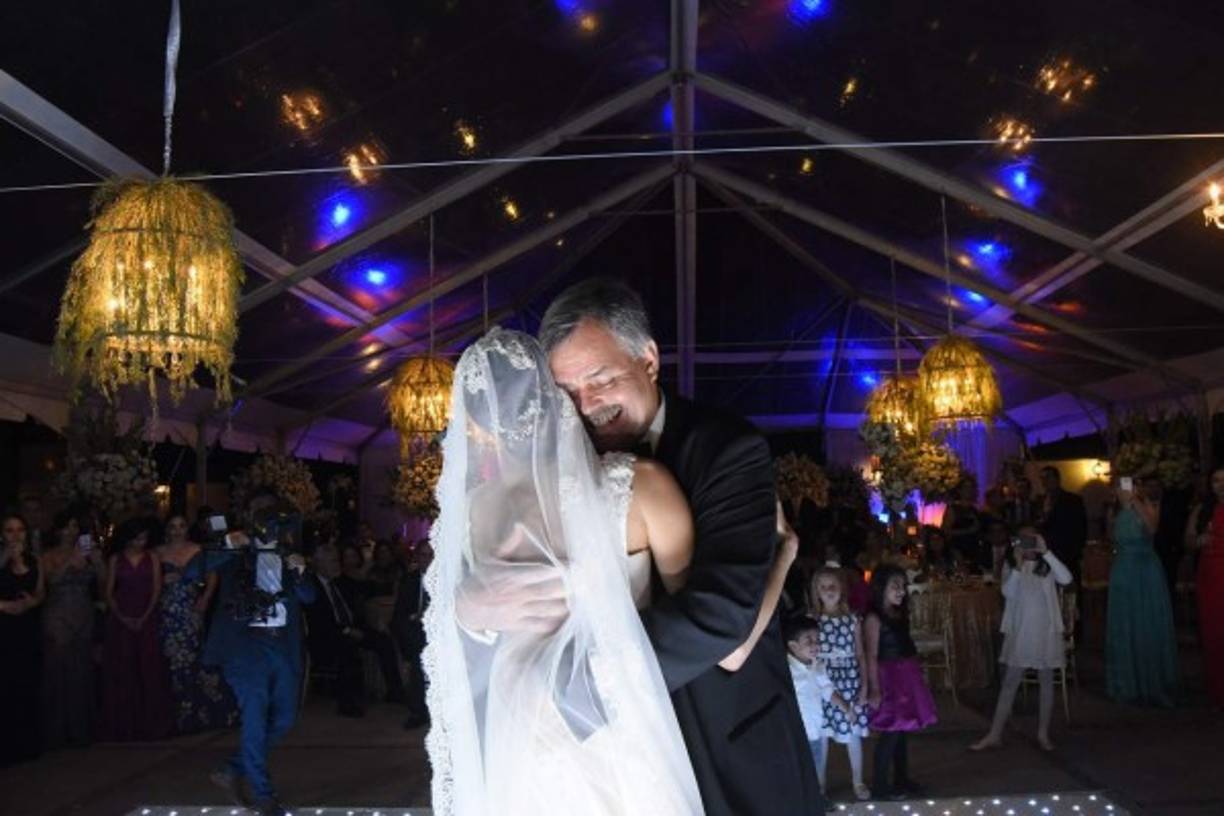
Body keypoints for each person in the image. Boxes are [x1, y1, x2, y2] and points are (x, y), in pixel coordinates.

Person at [541, 280, 822, 815]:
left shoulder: (728, 449)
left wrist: (588, 685)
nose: (587, 406)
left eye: (601, 380)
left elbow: (721, 616)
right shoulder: (560, 464)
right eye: (569, 393)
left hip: (729, 734)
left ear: (648, 359)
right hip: (617, 762)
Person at [426, 328, 706, 815]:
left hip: (559, 715)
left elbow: (696, 624)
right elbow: (698, 622)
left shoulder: (474, 508)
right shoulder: (638, 485)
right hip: (552, 722)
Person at [188, 508, 317, 816]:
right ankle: (263, 795)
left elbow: (310, 597)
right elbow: (194, 571)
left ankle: (232, 768)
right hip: (247, 647)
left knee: (284, 718)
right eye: (271, 526)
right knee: (256, 718)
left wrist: (300, 571)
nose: (275, 533)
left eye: (280, 527)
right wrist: (229, 544)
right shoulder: (235, 555)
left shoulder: (290, 558)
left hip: (282, 647)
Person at [970, 528, 1072, 752]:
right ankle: (995, 733)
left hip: (1046, 632)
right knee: (1009, 683)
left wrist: (1046, 553)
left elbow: (1066, 578)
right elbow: (1008, 593)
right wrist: (1016, 565)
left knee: (1047, 683)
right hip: (1021, 632)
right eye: (1023, 540)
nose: (1027, 545)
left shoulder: (1047, 565)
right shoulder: (1012, 566)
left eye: (1031, 539)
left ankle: (1043, 733)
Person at [157, 513, 237, 734]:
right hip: (166, 609)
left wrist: (204, 599)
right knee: (169, 658)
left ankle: (194, 712)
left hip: (190, 608)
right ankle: (172, 714)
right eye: (173, 526)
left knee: (192, 657)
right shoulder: (158, 552)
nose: (177, 530)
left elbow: (212, 576)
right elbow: (151, 580)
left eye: (181, 525)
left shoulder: (196, 550)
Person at [864, 565, 936, 801]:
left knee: (902, 730)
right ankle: (880, 786)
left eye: (903, 585)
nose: (902, 590)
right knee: (891, 731)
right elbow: (871, 655)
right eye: (895, 585)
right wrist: (874, 688)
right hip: (889, 678)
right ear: (881, 588)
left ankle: (902, 779)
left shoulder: (899, 613)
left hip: (906, 674)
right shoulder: (874, 618)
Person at [99, 517, 174, 741]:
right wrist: (121, 616)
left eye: (145, 537)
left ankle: (150, 723)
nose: (142, 541)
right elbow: (109, 591)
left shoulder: (151, 557)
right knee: (123, 668)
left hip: (146, 614)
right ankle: (124, 723)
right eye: (138, 538)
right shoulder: (116, 559)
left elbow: (156, 588)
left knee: (149, 666)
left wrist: (145, 615)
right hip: (122, 614)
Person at [1105, 485, 1180, 707]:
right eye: (1119, 486)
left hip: (1146, 569)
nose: (1122, 489)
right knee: (1125, 625)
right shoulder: (1114, 511)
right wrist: (1116, 507)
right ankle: (1126, 684)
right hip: (1123, 571)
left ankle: (1155, 685)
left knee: (1148, 623)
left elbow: (1152, 528)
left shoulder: (1149, 505)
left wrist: (1136, 501)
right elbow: (1111, 539)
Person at [40, 510, 102, 748]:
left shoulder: (87, 553)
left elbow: (104, 582)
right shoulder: (48, 555)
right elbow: (50, 581)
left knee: (81, 670)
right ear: (58, 530)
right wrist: (70, 561)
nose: (72, 530)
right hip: (58, 613)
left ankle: (81, 729)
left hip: (83, 611)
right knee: (57, 671)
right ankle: (55, 731)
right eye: (68, 526)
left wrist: (97, 562)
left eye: (76, 526)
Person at [810, 568, 871, 802]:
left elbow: (860, 654)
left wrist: (864, 685)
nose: (828, 591)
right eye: (823, 587)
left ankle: (858, 780)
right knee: (822, 735)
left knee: (852, 732)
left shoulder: (852, 618)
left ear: (842, 588)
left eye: (832, 585)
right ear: (816, 591)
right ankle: (820, 784)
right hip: (822, 680)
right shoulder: (813, 619)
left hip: (849, 679)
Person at [784, 615, 844, 812]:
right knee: (795, 770)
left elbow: (827, 689)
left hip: (815, 731)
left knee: (816, 768)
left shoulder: (817, 665)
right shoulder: (787, 670)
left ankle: (817, 797)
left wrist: (845, 706)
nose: (815, 645)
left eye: (817, 640)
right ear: (793, 645)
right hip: (795, 733)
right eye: (808, 640)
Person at [0, 512, 45, 766]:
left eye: (19, 530)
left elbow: (40, 593)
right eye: (9, 530)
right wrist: (5, 606)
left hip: (27, 627)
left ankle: (28, 744)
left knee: (27, 682)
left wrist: (31, 603)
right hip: (4, 628)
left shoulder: (34, 560)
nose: (15, 535)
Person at [305, 544, 368, 718]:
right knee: (346, 648)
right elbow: (321, 622)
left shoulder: (339, 582)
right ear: (319, 563)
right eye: (332, 561)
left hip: (348, 628)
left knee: (382, 640)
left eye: (337, 561)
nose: (337, 565)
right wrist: (348, 630)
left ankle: (395, 691)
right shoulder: (312, 586)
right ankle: (347, 702)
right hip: (326, 636)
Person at [1187, 466, 1224, 708]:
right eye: (1216, 480)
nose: (1220, 484)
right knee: (1213, 632)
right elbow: (1188, 540)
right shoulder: (1203, 509)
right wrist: (1197, 540)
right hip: (1209, 575)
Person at [392, 540, 432, 728]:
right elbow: (399, 614)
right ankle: (418, 711)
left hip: (440, 631)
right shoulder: (409, 580)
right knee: (418, 654)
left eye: (431, 555)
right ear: (417, 557)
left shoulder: (447, 579)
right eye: (424, 555)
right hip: (415, 632)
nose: (428, 559)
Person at [1038, 467, 1087, 582]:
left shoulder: (1073, 500)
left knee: (1070, 587)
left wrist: (1076, 552)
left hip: (1067, 554)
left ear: (1057, 479)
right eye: (1042, 478)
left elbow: (1081, 529)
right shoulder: (1039, 501)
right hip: (1046, 554)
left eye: (1047, 477)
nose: (1044, 481)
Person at [942, 479, 984, 569]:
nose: (969, 490)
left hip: (974, 550)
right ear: (959, 490)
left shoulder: (975, 509)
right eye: (966, 487)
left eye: (971, 487)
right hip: (958, 550)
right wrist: (967, 531)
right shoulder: (953, 509)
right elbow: (945, 531)